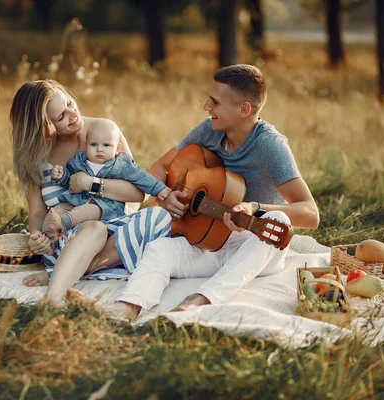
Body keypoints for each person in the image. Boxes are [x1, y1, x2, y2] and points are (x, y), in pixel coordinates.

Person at [67, 64, 320, 320]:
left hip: (256, 244)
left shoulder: (270, 146)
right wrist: (164, 195)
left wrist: (255, 208)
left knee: (279, 220)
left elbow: (310, 214)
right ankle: (126, 308)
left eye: (215, 102)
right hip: (209, 241)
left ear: (243, 109)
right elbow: (161, 166)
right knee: (160, 250)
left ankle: (199, 300)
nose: (206, 107)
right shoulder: (209, 130)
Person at [10, 79, 172, 304]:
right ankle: (54, 296)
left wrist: (91, 184)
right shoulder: (35, 157)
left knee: (160, 217)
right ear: (43, 127)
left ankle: (59, 275)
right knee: (93, 228)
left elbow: (138, 194)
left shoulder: (104, 131)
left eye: (68, 103)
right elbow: (37, 212)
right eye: (61, 117)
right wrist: (37, 237)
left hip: (113, 232)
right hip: (64, 237)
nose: (72, 113)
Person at [42, 126, 172, 246]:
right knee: (57, 209)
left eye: (106, 145)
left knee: (91, 210)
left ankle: (63, 223)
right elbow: (71, 180)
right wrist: (62, 175)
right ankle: (48, 240)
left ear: (117, 149)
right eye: (94, 144)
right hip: (77, 201)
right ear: (86, 146)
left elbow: (142, 177)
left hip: (105, 208)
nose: (99, 149)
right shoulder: (79, 161)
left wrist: (159, 188)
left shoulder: (121, 164)